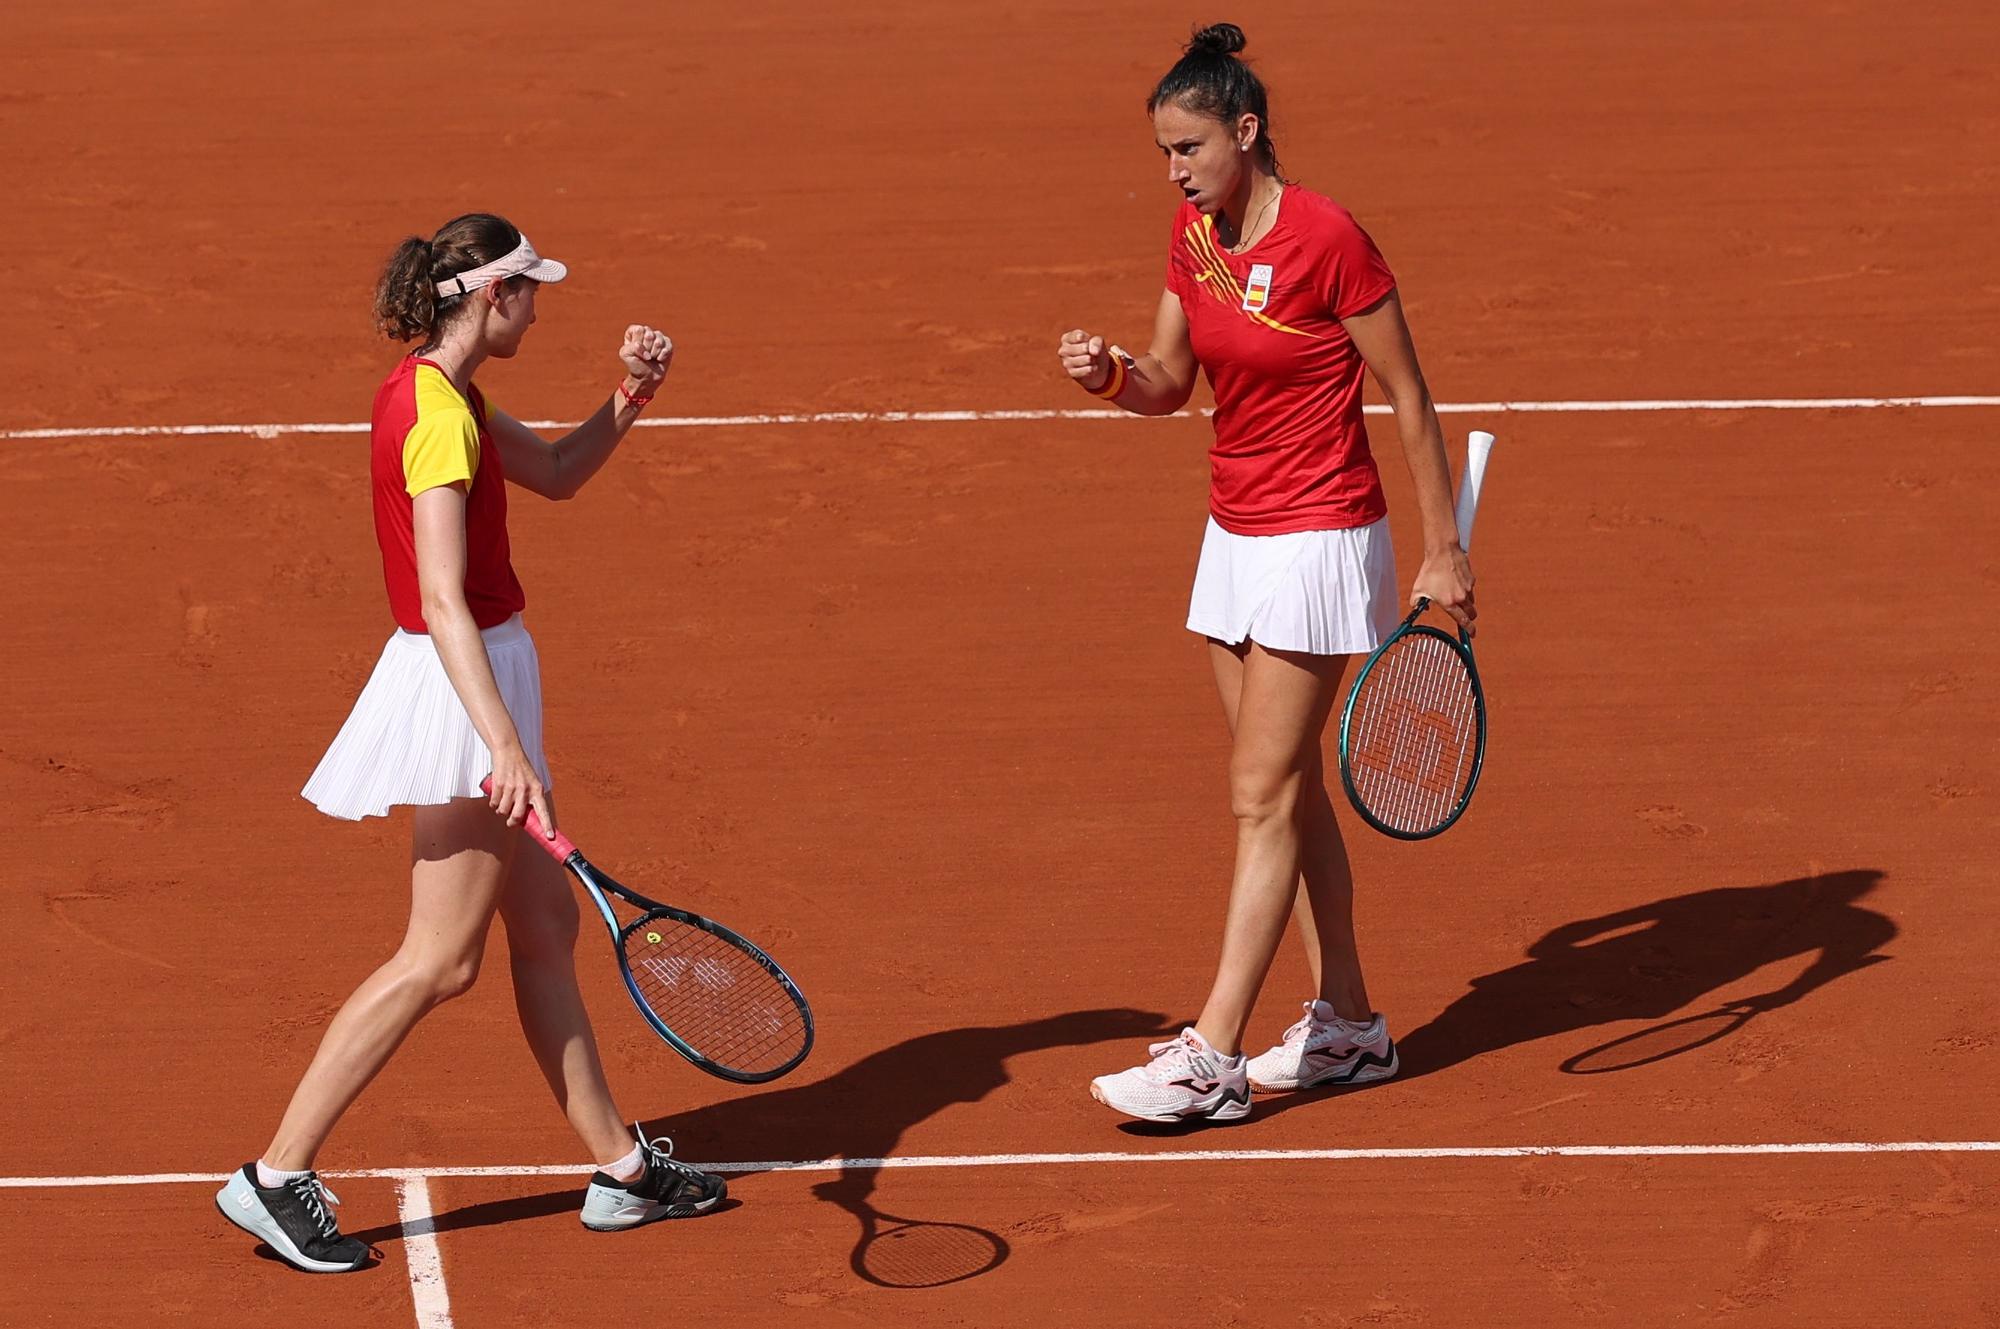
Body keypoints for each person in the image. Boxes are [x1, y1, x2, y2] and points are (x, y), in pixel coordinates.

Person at [215, 213, 727, 1272]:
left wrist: (630, 395)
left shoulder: (440, 393)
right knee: (439, 960)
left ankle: (622, 1174)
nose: (541, 303)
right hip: (465, 684)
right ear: (492, 297)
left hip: (481, 672)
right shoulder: (440, 419)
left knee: (543, 932)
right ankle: (275, 1174)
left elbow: (558, 471)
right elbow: (444, 600)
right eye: (531, 289)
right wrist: (501, 741)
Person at [1062, 25, 1477, 1123]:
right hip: (1233, 537)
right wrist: (1111, 373)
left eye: (1189, 146)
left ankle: (1212, 1054)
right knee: (1286, 798)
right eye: (1163, 151)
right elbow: (1166, 383)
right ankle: (1346, 1024)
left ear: (1245, 131)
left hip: (1317, 539)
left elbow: (1410, 398)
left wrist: (1443, 552)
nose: (1175, 168)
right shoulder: (1191, 238)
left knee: (1256, 798)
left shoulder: (1329, 238)